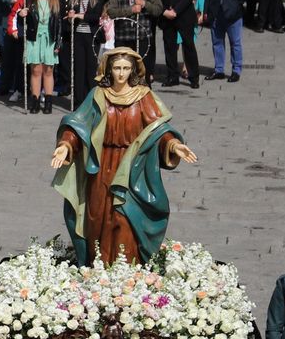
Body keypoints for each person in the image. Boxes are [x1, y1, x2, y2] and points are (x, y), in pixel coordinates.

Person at [50, 48, 197, 265]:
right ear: (109, 69)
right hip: (100, 168)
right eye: (117, 68)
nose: (121, 73)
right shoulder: (99, 95)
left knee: (124, 217)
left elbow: (158, 129)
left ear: (133, 70)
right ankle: (97, 267)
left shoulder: (143, 96)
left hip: (131, 167)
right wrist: (65, 145)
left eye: (126, 68)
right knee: (97, 218)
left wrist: (174, 145)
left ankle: (124, 270)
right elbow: (78, 124)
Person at [150, 0, 200, 89]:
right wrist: (164, 11)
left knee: (188, 45)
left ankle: (193, 77)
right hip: (166, 17)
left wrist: (176, 10)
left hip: (184, 15)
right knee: (169, 47)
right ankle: (172, 76)